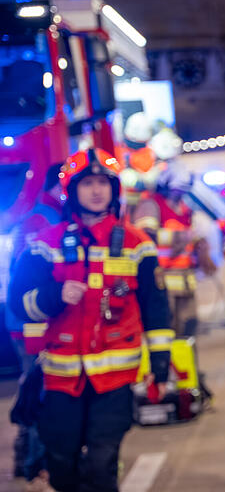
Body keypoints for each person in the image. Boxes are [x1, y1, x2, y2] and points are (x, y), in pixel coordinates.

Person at [8, 148, 173, 492]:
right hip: (61, 380)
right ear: (72, 190)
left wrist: (160, 361)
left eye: (103, 183)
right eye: (88, 183)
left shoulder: (137, 245)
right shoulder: (45, 245)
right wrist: (53, 296)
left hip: (113, 382)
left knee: (101, 464)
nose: (97, 191)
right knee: (62, 463)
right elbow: (18, 303)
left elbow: (156, 307)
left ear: (114, 190)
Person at [5, 162, 63, 483]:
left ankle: (25, 459)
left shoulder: (33, 214)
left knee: (31, 387)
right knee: (41, 391)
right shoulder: (48, 219)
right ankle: (36, 464)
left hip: (22, 318)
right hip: (33, 322)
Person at [132, 162, 211, 337]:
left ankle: (187, 365)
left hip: (185, 280)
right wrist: (179, 237)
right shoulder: (151, 205)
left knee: (188, 328)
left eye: (182, 191)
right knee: (167, 328)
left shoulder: (184, 209)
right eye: (177, 190)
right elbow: (144, 236)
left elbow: (188, 239)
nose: (179, 195)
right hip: (162, 281)